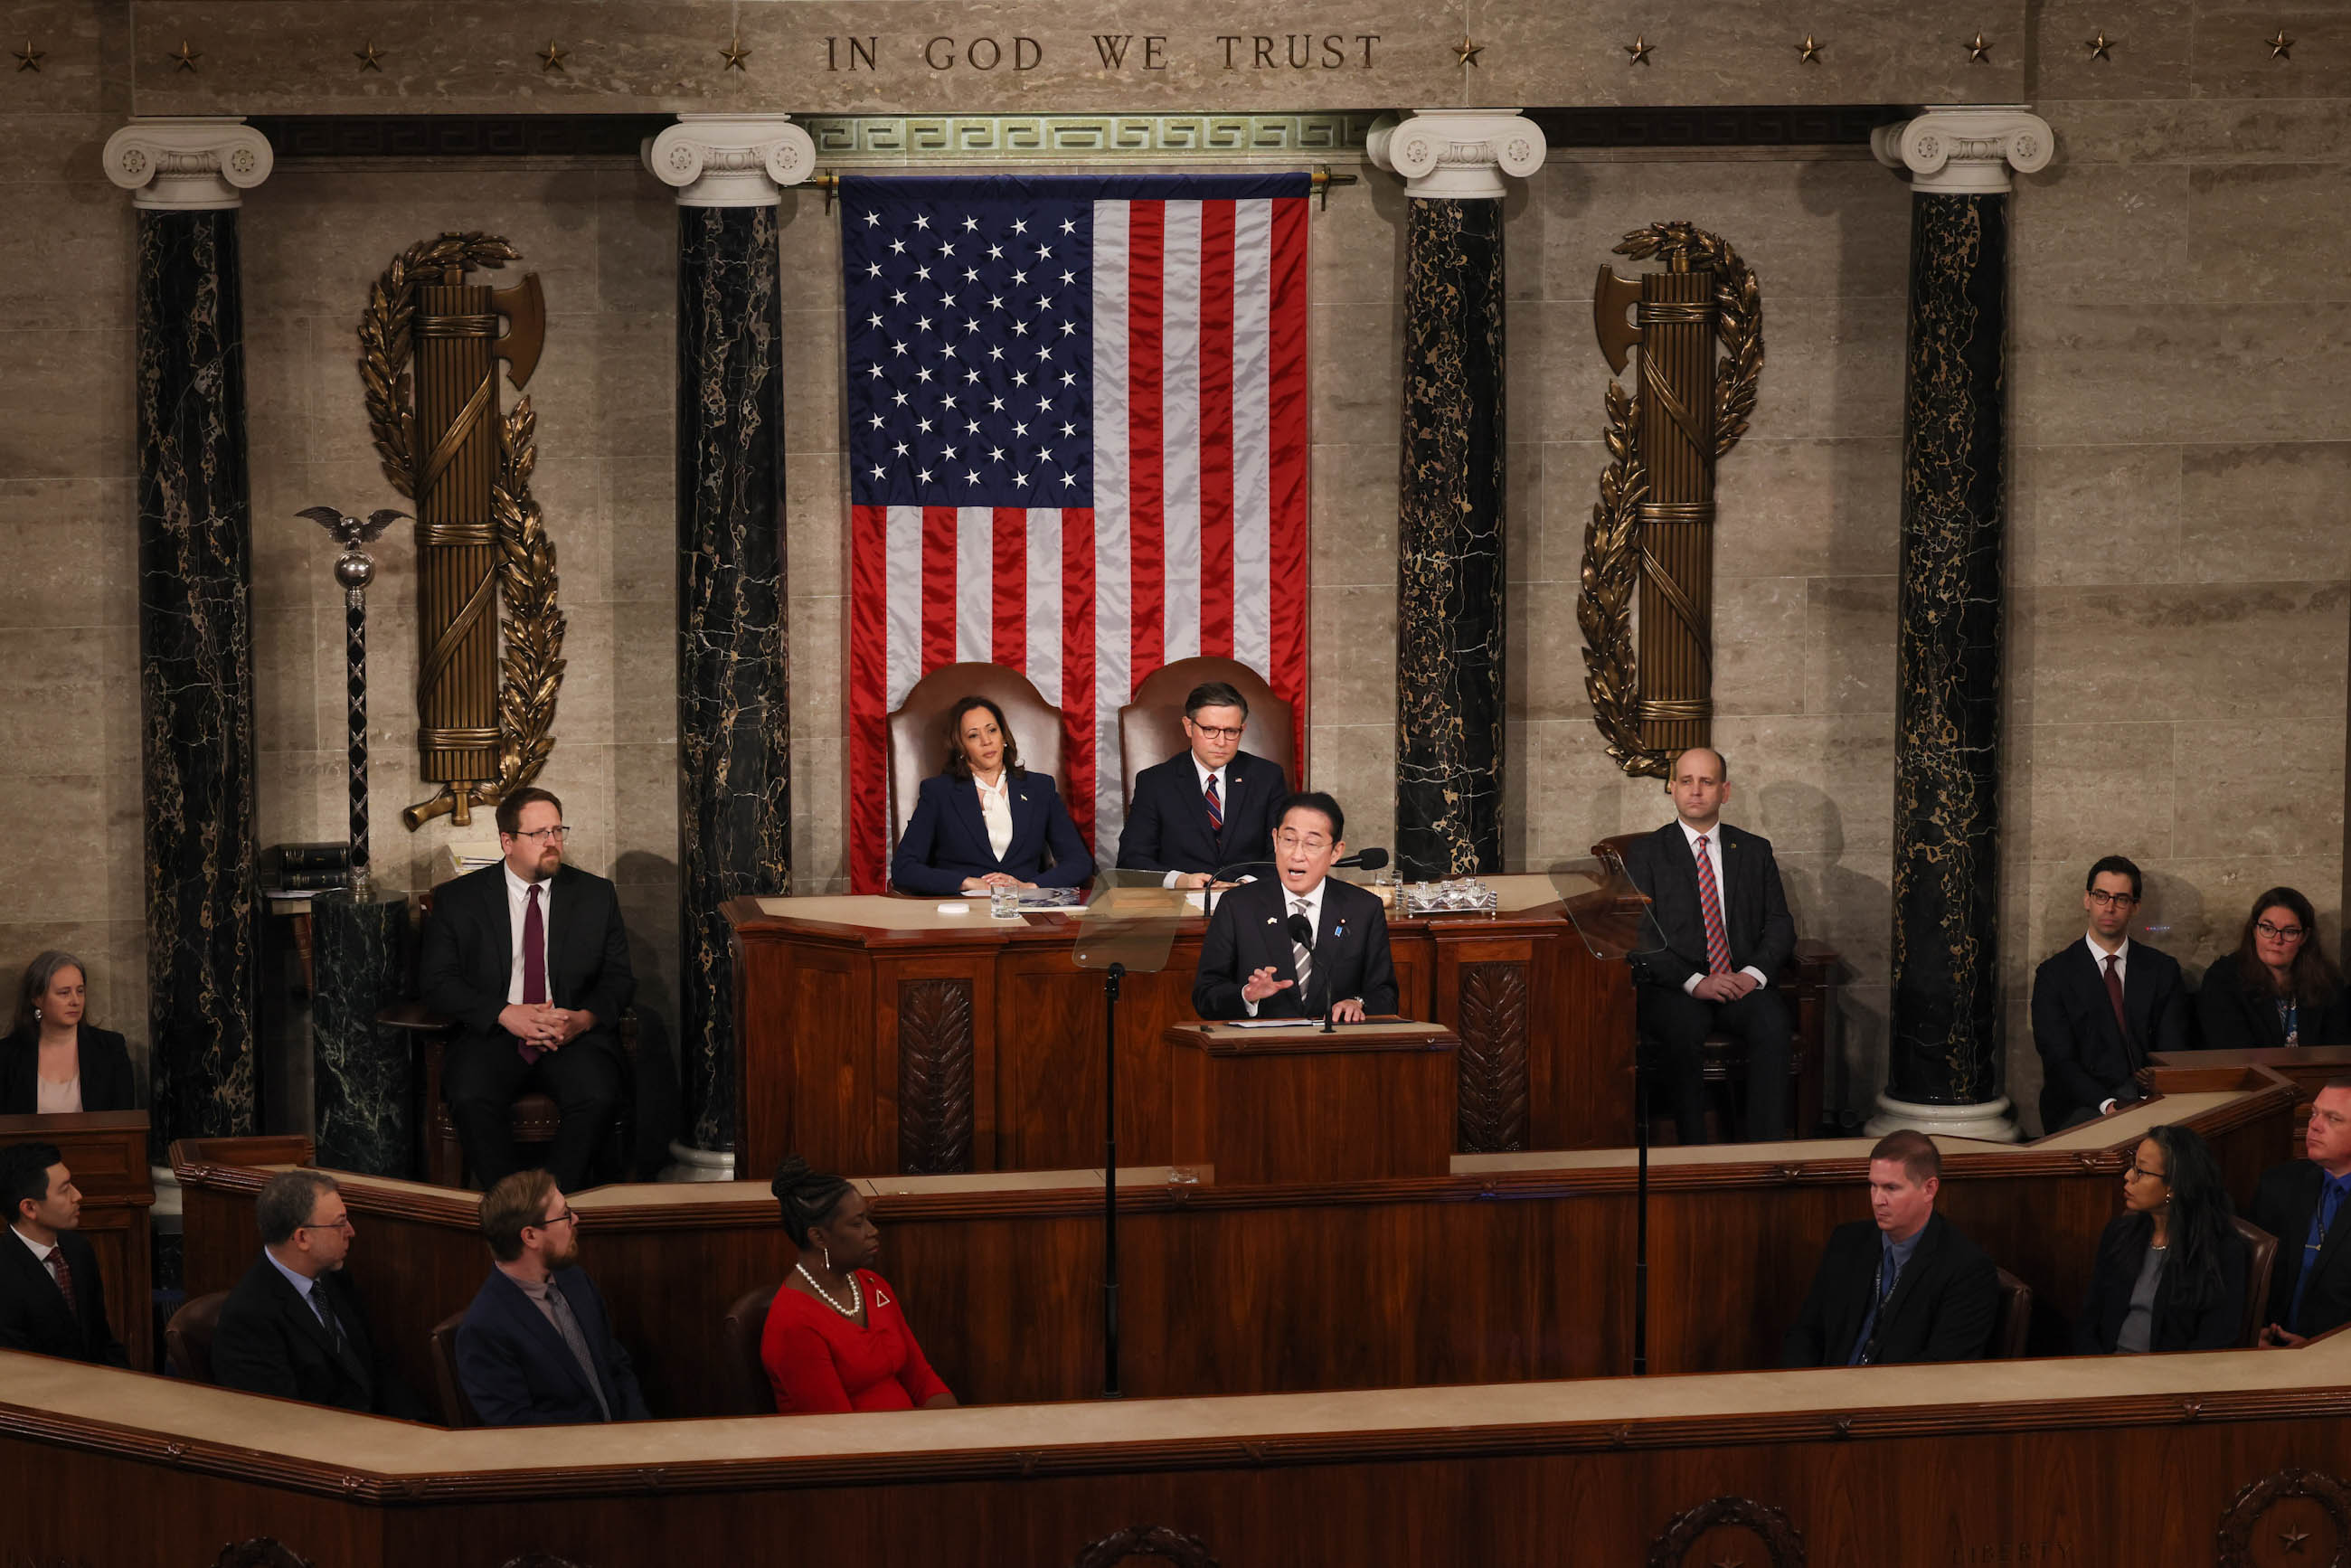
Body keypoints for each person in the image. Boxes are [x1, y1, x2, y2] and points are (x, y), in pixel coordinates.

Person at [419, 786, 635, 1192]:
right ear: (508, 842)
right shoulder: (459, 899)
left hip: (568, 1031)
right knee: (470, 1096)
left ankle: (552, 1202)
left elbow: (619, 978)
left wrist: (583, 1019)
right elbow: (436, 983)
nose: (553, 842)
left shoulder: (595, 895)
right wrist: (503, 1012)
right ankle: (510, 1206)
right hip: (495, 1031)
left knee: (600, 1095)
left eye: (557, 830)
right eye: (539, 834)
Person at [1619, 747, 1797, 1142]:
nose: (1695, 791)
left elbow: (1780, 924)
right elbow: (1639, 935)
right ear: (1672, 789)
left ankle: (1763, 1151)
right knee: (1680, 1032)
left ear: (1725, 791)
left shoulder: (1754, 850)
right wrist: (1695, 981)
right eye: (1686, 781)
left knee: (1773, 1023)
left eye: (1707, 781)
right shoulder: (1647, 853)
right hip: (1676, 986)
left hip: (1741, 981)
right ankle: (1693, 1152)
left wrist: (1752, 975)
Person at [212, 1170, 424, 1417]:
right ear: (302, 1238)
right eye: (340, 1223)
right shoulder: (249, 1318)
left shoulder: (333, 1279)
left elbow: (376, 1368)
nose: (351, 1232)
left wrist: (422, 1427)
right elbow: (280, 1421)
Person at [1781, 1130, 1998, 1367]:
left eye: (1891, 1188)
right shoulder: (1847, 1242)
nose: (1877, 1200)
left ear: (1929, 1189)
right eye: (1873, 1186)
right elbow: (1806, 1334)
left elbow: (1942, 1367)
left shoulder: (1966, 1269)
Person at [760, 1157, 957, 1414]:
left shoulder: (874, 1286)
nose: (872, 1230)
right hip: (861, 1448)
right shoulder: (794, 1326)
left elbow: (922, 1379)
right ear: (818, 1237)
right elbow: (839, 1435)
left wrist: (953, 1428)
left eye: (868, 1219)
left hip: (912, 1439)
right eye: (857, 1223)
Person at [454, 1170, 647, 1426]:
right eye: (565, 1214)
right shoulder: (484, 1328)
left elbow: (616, 1365)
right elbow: (517, 1427)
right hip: (569, 1459)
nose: (575, 1219)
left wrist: (640, 1430)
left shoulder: (575, 1280)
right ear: (530, 1236)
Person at [1192, 791, 1397, 1023]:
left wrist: (1358, 1003)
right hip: (1260, 1051)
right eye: (1288, 840)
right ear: (1275, 840)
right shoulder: (1238, 906)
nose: (1297, 855)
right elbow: (1205, 996)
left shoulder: (1363, 909)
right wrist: (1247, 996)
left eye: (1312, 843)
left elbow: (1385, 995)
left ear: (1336, 852)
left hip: (1335, 1050)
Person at [2031, 855, 2191, 1132]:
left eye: (2121, 899)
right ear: (2087, 900)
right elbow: (2059, 1060)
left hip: (2152, 1100)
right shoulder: (2054, 975)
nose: (2110, 907)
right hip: (2083, 1104)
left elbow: (2173, 1049)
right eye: (2102, 896)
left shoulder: (2162, 970)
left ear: (2135, 907)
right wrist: (2107, 1103)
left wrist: (2150, 1097)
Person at [891, 695, 1093, 896]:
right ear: (960, 746)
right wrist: (967, 883)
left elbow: (1079, 862)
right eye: (973, 735)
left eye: (992, 730)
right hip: (960, 911)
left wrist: (1030, 887)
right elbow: (904, 868)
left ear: (1003, 736)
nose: (986, 741)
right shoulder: (938, 792)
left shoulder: (1040, 788)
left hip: (1025, 907)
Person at [2072, 1124, 2247, 1354]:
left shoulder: (2222, 1252)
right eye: (2133, 1166)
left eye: (2141, 1171)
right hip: (2104, 1373)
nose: (2128, 1176)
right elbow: (2088, 1321)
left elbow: (2213, 1344)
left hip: (2171, 1381)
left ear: (2173, 1187)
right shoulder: (2119, 1234)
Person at [1116, 681, 1289, 889]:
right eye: (1210, 730)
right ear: (1189, 727)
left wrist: (1246, 884)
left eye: (1231, 731)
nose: (1221, 742)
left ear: (1242, 730)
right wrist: (1180, 880)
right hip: (1179, 904)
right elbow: (1131, 860)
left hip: (1249, 900)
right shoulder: (1155, 782)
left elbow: (1284, 850)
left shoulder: (1266, 777)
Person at [0, 1143, 126, 1365]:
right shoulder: (5, 1274)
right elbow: (18, 1370)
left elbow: (101, 1340)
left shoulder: (78, 1249)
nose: (78, 1195)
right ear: (29, 1208)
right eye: (65, 1189)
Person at [2252, 1080, 2351, 1347]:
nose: (2314, 1125)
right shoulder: (2278, 1185)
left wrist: (2320, 1349)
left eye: (2333, 1119)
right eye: (2314, 1113)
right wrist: (2252, 1332)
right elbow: (2246, 1274)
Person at [2198, 887, 2351, 1051]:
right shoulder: (2223, 979)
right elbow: (2233, 1052)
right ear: (2254, 930)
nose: (2277, 940)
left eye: (2289, 932)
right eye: (2268, 929)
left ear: (2304, 937)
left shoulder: (2328, 982)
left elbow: (2337, 1050)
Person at [1, 951, 136, 1115]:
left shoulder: (111, 1048)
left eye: (80, 991)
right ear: (37, 998)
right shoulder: (7, 1055)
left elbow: (124, 1123)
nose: (75, 1001)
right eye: (64, 993)